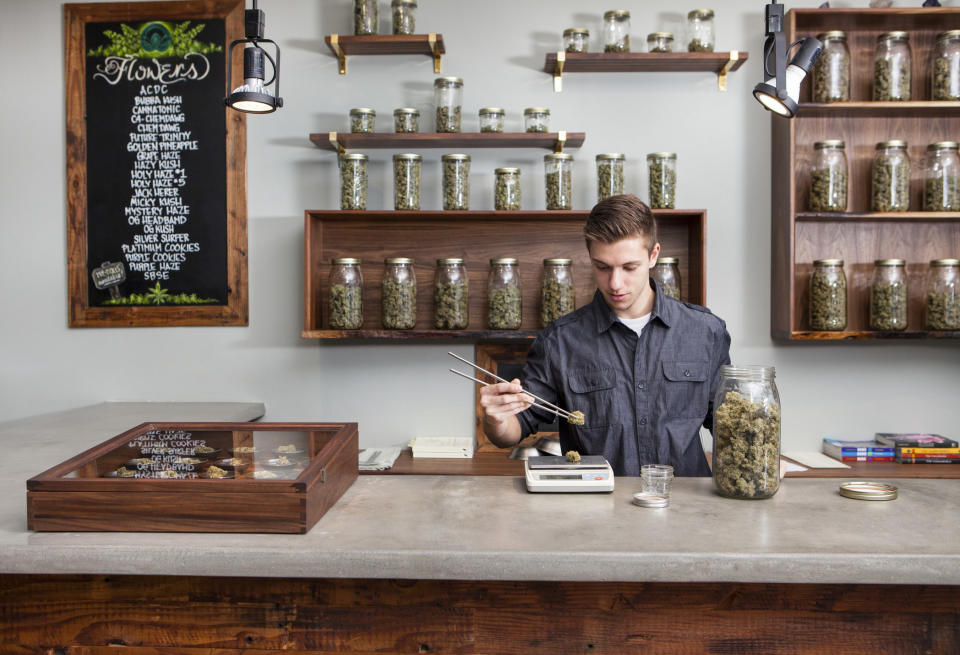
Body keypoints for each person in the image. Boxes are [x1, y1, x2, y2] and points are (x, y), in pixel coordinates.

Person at [480, 194, 731, 477]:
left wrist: (764, 461)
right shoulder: (559, 341)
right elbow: (514, 429)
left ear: (653, 255)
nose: (615, 283)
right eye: (602, 267)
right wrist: (496, 419)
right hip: (596, 510)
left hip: (686, 508)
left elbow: (731, 426)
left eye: (629, 267)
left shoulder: (706, 332)